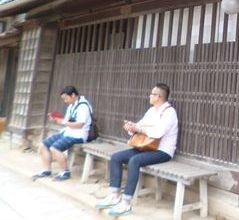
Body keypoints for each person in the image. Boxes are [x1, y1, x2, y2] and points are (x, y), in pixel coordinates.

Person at [95, 82, 178, 217]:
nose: (149, 96)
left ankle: (126, 202)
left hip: (162, 151)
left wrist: (139, 128)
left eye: (152, 94)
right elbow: (140, 126)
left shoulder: (170, 112)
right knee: (116, 157)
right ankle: (115, 195)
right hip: (146, 147)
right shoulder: (151, 111)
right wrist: (131, 127)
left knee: (134, 161)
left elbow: (158, 133)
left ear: (158, 97)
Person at [32, 85, 93, 181]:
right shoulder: (71, 106)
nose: (65, 101)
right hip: (67, 132)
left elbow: (80, 125)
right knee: (43, 145)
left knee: (54, 148)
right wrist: (57, 119)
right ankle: (46, 170)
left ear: (73, 95)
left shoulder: (83, 106)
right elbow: (68, 121)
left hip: (78, 135)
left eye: (66, 98)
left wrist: (63, 122)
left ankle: (65, 172)